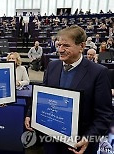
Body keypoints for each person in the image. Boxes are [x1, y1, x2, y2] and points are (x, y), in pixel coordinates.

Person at [25, 25, 113, 154]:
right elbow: (42, 94)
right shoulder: (52, 66)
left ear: (81, 46)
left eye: (66, 46)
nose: (60, 50)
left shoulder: (99, 72)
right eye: (59, 45)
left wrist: (88, 138)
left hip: (78, 144)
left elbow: (104, 114)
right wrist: (30, 113)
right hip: (51, 140)